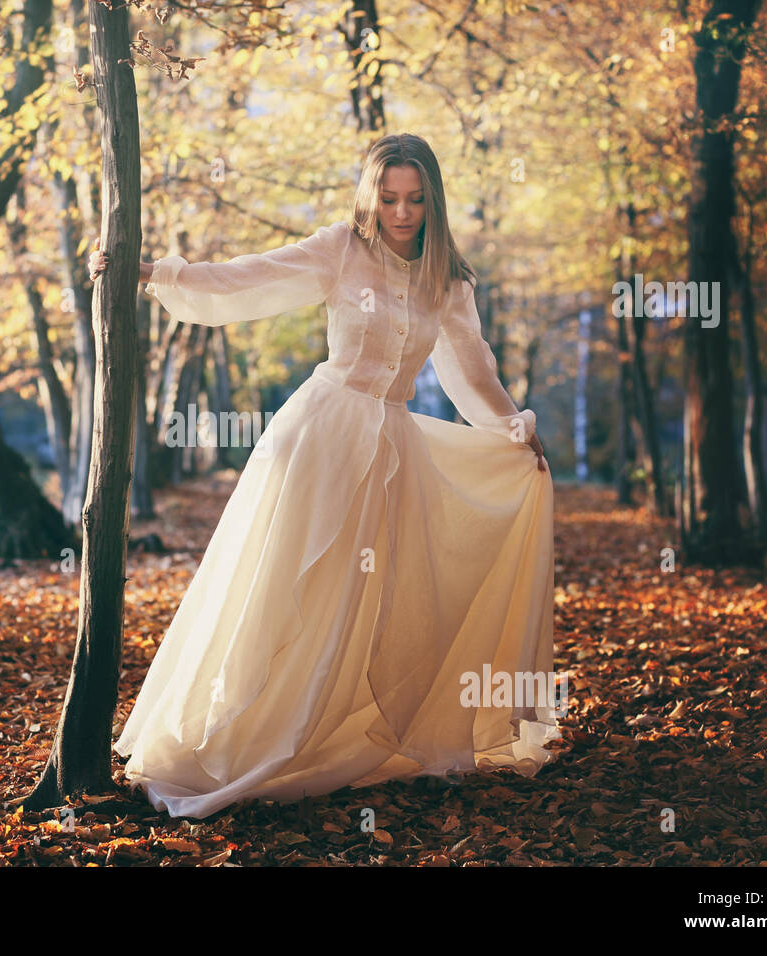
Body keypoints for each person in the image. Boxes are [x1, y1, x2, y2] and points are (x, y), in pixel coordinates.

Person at [88, 132, 559, 819]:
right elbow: (252, 276)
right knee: (285, 583)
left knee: (371, 598)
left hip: (395, 452)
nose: (401, 212)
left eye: (415, 199)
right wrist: (155, 273)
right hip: (321, 437)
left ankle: (329, 728)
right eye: (389, 197)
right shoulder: (342, 249)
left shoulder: (447, 279)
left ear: (433, 200)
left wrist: (512, 424)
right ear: (371, 195)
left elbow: (471, 370)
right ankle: (240, 735)